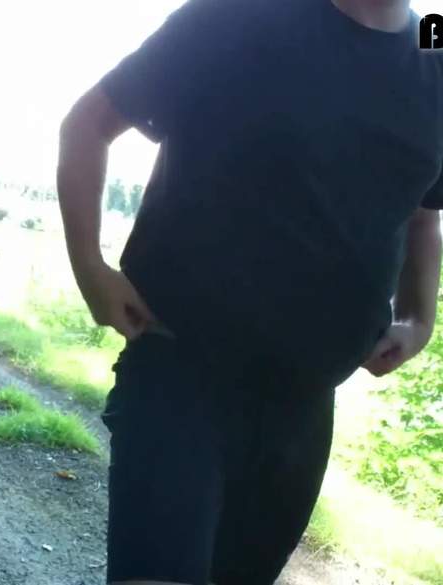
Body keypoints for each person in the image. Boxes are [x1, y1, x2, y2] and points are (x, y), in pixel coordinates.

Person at [56, 0, 443, 584]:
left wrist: (418, 318)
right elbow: (88, 124)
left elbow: (424, 211)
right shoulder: (240, 14)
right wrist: (91, 268)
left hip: (304, 409)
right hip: (181, 372)